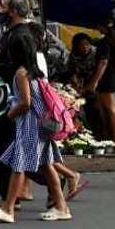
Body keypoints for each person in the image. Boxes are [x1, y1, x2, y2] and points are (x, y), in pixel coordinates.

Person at [0, 41, 71, 223]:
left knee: (19, 165)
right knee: (46, 164)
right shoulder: (35, 73)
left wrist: (10, 115)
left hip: (29, 125)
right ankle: (61, 206)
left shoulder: (21, 73)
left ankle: (8, 208)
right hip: (42, 125)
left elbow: (25, 103)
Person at [0, 0, 37, 202]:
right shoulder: (12, 34)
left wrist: (17, 108)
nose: (0, 11)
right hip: (8, 100)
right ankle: (11, 198)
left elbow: (24, 70)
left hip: (15, 102)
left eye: (4, 7)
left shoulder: (20, 36)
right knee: (17, 153)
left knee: (6, 153)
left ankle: (9, 200)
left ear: (13, 11)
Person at [29, 22, 87, 202]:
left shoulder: (34, 58)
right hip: (41, 109)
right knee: (44, 151)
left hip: (38, 109)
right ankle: (59, 188)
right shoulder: (38, 56)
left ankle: (62, 187)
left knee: (39, 154)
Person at [87, 17, 115, 149]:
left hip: (107, 79)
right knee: (108, 110)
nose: (97, 28)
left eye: (98, 26)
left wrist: (94, 82)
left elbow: (103, 63)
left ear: (103, 27)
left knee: (111, 110)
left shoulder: (105, 42)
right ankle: (111, 140)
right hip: (112, 77)